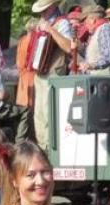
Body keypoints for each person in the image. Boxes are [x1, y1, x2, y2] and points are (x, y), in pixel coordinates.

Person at [31, 0, 73, 151]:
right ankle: (43, 150)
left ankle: (50, 152)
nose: (41, 13)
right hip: (40, 74)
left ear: (52, 7)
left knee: (50, 115)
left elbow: (69, 47)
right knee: (39, 117)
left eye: (44, 9)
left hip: (54, 75)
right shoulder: (42, 22)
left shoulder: (63, 23)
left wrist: (51, 30)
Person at [77, 2, 110, 74]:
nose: (84, 24)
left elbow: (109, 56)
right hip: (101, 80)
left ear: (92, 19)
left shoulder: (105, 29)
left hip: (108, 81)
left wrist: (91, 65)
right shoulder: (99, 31)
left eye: (84, 21)